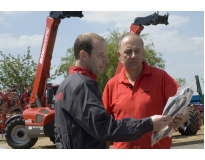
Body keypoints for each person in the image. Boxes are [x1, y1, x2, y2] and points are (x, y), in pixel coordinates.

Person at [54, 32, 172, 149]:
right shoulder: (83, 85)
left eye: (137, 51)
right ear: (83, 55)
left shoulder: (65, 85)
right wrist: (148, 124)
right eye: (101, 55)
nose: (106, 60)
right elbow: (104, 128)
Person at [102, 33, 190, 149]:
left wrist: (182, 117)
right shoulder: (111, 85)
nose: (133, 56)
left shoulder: (162, 78)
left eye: (137, 51)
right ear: (119, 56)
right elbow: (103, 125)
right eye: (128, 52)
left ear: (143, 53)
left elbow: (184, 108)